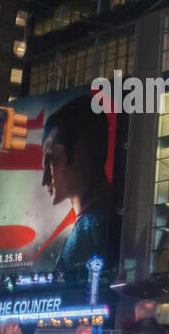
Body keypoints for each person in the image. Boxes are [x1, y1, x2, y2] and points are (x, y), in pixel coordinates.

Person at [41, 93, 115, 270]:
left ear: (81, 151)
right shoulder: (97, 219)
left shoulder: (90, 229)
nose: (45, 180)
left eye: (52, 158)